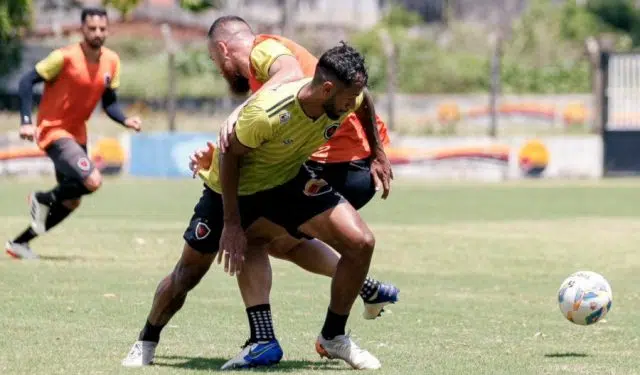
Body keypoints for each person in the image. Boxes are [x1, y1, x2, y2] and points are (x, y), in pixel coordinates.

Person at [122, 42, 385, 370]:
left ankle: (332, 336)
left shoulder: (349, 97)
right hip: (233, 189)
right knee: (188, 273)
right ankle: (147, 339)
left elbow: (364, 103)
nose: (351, 105)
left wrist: (378, 153)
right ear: (327, 88)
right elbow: (231, 155)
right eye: (347, 98)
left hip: (287, 180)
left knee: (361, 242)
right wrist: (232, 224)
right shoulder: (267, 113)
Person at [196, 16, 397, 370]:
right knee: (278, 241)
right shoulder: (283, 71)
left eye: (215, 61)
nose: (219, 69)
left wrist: (240, 112)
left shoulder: (263, 53)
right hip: (350, 162)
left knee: (256, 236)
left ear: (223, 50)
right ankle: (352, 303)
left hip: (334, 163)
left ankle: (272, 338)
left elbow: (289, 73)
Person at [5, 7, 142, 260]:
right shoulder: (64, 57)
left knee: (71, 200)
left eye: (102, 28)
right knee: (93, 180)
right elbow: (26, 81)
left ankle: (19, 243)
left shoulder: (111, 61)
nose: (98, 33)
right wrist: (25, 121)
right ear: (82, 30)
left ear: (108, 30)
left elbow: (109, 102)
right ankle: (41, 198)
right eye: (92, 28)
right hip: (54, 131)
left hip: (78, 135)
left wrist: (125, 120)